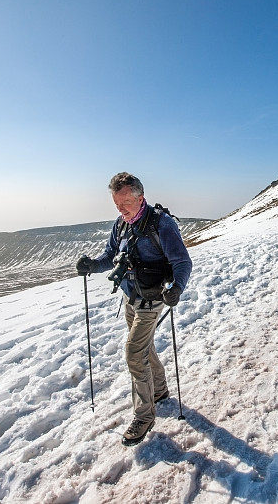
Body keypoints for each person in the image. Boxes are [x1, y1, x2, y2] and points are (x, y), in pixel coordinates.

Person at [76, 172, 192, 446]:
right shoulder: (120, 225)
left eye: (126, 202)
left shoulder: (161, 225)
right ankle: (160, 390)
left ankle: (144, 415)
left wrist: (177, 288)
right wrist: (93, 265)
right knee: (144, 348)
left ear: (141, 197)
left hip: (152, 299)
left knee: (133, 353)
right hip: (131, 297)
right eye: (117, 204)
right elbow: (110, 256)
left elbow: (182, 262)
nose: (121, 209)